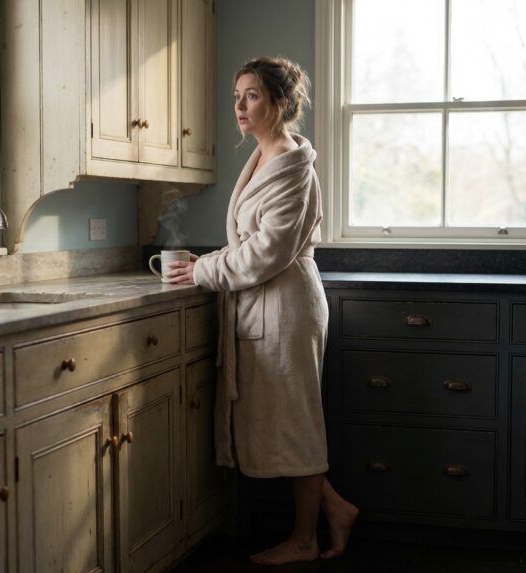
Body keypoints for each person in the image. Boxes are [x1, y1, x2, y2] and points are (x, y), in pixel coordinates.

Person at [166, 56, 358, 566]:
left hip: (287, 306)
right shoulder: (265, 157)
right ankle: (335, 510)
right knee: (285, 420)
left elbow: (266, 251)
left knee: (297, 424)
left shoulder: (291, 166)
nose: (239, 106)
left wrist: (204, 269)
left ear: (280, 103)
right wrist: (207, 265)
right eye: (237, 96)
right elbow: (254, 248)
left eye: (251, 95)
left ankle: (303, 539)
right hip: (267, 303)